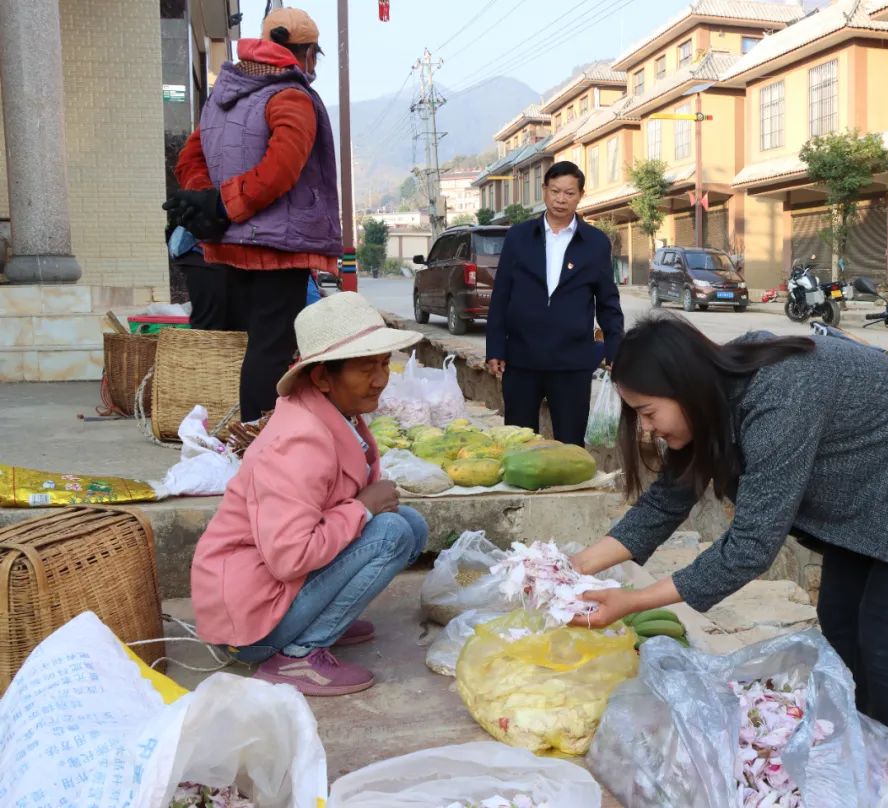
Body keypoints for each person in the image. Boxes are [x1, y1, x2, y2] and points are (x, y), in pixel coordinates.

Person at [569, 315, 888, 742]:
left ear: (682, 386)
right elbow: (664, 502)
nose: (646, 429)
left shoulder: (778, 395)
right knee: (839, 618)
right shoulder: (711, 399)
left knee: (885, 637)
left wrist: (632, 601)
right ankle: (856, 739)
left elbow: (750, 548)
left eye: (648, 412)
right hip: (868, 489)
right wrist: (573, 568)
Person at [190, 292, 429, 696]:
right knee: (391, 533)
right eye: (365, 368)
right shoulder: (299, 441)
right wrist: (363, 508)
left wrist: (364, 507)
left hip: (274, 593)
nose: (380, 379)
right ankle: (297, 652)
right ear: (321, 378)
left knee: (411, 524)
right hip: (250, 627)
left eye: (384, 364)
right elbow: (289, 557)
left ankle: (322, 615)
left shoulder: (335, 413)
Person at [164, 7, 340, 422]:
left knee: (256, 347)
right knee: (272, 351)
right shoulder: (291, 96)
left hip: (230, 246)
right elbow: (281, 170)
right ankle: (263, 442)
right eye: (315, 56)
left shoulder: (222, 97)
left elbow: (190, 157)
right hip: (276, 249)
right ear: (307, 53)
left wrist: (208, 201)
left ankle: (252, 437)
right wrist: (223, 204)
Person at [485, 161, 624, 446]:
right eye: (555, 191)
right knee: (519, 443)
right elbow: (501, 296)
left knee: (570, 445)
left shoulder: (595, 243)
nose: (561, 199)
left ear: (580, 195)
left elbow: (607, 301)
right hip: (522, 359)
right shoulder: (519, 237)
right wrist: (495, 348)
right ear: (544, 190)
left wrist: (615, 348)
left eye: (569, 193)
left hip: (572, 362)